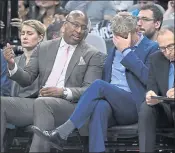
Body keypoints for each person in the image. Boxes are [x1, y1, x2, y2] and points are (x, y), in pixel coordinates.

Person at [30, 12, 159, 153]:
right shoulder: (113, 49)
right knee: (99, 107)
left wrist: (127, 51)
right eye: (117, 36)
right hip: (112, 104)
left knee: (98, 85)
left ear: (136, 31)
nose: (121, 40)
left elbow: (150, 79)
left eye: (125, 36)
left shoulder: (151, 48)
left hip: (134, 104)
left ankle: (63, 131)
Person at [2, 10, 105, 152]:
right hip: (40, 102)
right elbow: (27, 78)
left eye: (83, 27)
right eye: (75, 25)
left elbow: (90, 89)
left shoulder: (93, 54)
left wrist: (63, 92)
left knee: (43, 103)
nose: (79, 30)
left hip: (70, 107)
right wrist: (12, 65)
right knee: (2, 103)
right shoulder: (44, 47)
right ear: (64, 25)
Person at [1, 19, 46, 152]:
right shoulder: (15, 60)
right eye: (23, 33)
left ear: (41, 37)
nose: (25, 37)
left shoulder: (46, 60)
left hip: (36, 107)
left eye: (30, 33)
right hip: (13, 105)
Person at [138, 25, 175, 152]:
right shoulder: (156, 58)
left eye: (171, 46)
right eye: (163, 48)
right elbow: (151, 86)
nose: (167, 52)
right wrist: (151, 94)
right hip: (165, 108)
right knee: (146, 107)